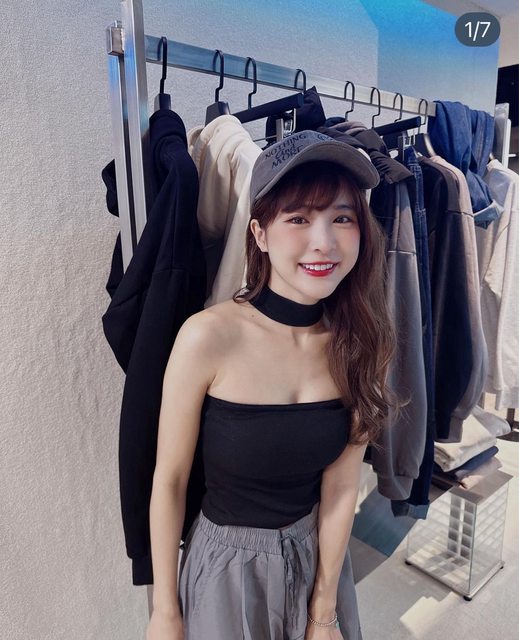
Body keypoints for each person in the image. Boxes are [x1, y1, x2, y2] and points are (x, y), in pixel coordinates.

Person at [145, 130, 394, 640]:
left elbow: (341, 487)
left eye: (342, 218)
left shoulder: (361, 342)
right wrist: (164, 611)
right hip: (225, 572)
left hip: (318, 562)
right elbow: (169, 481)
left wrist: (323, 610)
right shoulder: (207, 337)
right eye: (298, 218)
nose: (323, 242)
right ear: (259, 233)